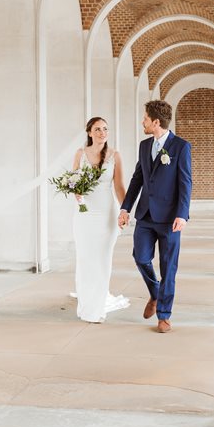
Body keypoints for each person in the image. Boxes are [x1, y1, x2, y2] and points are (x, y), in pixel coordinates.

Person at [118, 100, 192, 333]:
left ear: (156, 122)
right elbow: (137, 179)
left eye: (145, 119)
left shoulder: (180, 146)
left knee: (168, 267)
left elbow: (185, 183)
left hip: (171, 219)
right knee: (140, 258)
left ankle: (164, 315)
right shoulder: (143, 146)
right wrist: (125, 208)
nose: (143, 122)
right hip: (146, 215)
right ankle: (155, 293)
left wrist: (182, 214)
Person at [72, 117, 130, 323]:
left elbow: (119, 187)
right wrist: (76, 194)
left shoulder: (115, 155)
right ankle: (87, 302)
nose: (102, 133)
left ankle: (96, 308)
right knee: (85, 258)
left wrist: (125, 211)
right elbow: (74, 183)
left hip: (107, 214)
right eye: (97, 129)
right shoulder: (80, 154)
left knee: (103, 259)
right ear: (89, 132)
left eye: (105, 129)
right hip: (85, 215)